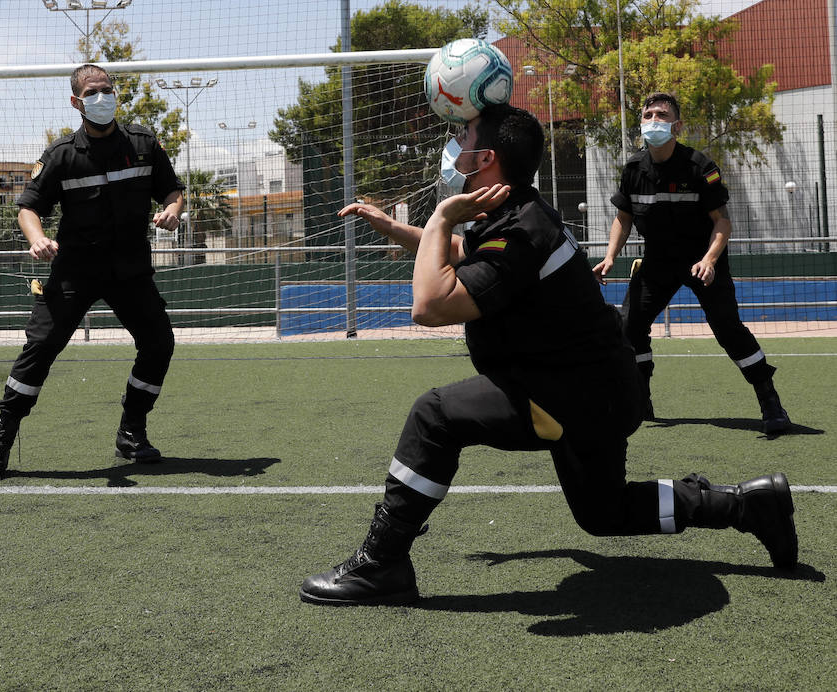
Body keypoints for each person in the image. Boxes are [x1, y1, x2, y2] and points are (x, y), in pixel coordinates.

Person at [299, 104, 798, 606]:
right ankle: (747, 506)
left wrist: (438, 216)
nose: (454, 142)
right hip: (597, 388)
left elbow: (429, 306)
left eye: (464, 133)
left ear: (486, 157)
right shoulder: (515, 212)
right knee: (604, 514)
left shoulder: (519, 229)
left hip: (573, 392)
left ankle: (382, 562)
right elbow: (455, 253)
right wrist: (394, 227)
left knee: (434, 417)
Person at [0, 64, 186, 483]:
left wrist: (173, 210)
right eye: (92, 92)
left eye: (108, 90)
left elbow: (173, 189)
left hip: (130, 270)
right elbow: (28, 208)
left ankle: (131, 433)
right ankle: (0, 440)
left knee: (159, 344)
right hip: (74, 271)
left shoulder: (143, 144)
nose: (102, 97)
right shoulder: (61, 155)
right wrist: (36, 239)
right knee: (41, 348)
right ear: (76, 102)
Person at [592, 92, 791, 435]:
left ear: (677, 125)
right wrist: (610, 256)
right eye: (648, 114)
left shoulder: (700, 167)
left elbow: (722, 222)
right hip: (656, 261)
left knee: (728, 329)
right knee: (628, 328)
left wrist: (710, 260)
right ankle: (641, 398)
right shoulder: (633, 169)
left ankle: (770, 400)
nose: (653, 120)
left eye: (662, 115)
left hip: (702, 261)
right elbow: (622, 218)